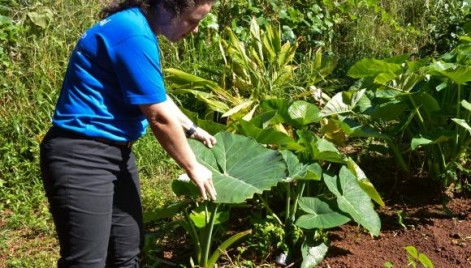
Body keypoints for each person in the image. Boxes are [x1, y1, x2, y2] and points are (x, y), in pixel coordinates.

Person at [40, 0, 217, 267]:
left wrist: (190, 127)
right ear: (168, 8)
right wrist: (193, 167)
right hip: (81, 155)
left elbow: (151, 93)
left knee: (126, 254)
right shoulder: (132, 33)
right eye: (193, 20)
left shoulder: (134, 25)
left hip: (116, 153)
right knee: (86, 262)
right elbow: (158, 117)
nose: (194, 30)